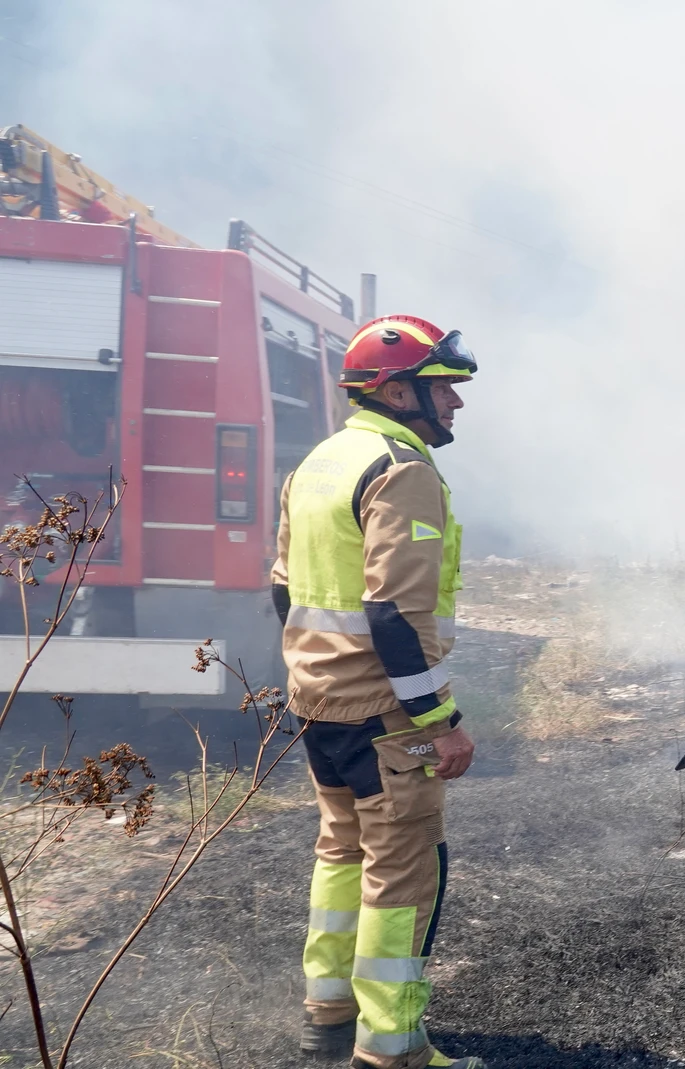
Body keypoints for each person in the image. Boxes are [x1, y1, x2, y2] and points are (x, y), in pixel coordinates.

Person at [272, 315, 484, 1069]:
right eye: (442, 388)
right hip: (388, 716)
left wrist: (315, 673)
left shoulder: (319, 462)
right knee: (402, 872)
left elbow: (282, 589)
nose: (455, 403)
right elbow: (393, 611)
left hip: (318, 702)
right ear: (397, 392)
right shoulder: (401, 469)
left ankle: (328, 1016)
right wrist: (440, 721)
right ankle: (391, 1048)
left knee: (342, 852)